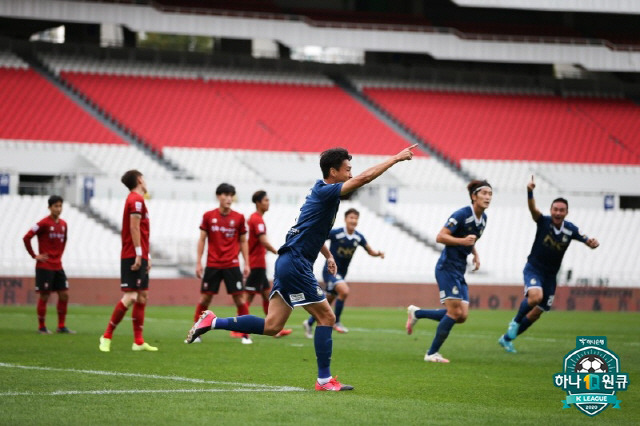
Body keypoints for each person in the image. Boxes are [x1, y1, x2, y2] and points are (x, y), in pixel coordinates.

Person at [186, 144, 417, 391]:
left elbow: (309, 232)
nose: (351, 174)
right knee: (327, 316)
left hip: (289, 262)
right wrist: (395, 158)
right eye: (347, 169)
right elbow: (365, 178)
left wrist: (327, 254)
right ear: (333, 172)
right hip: (296, 264)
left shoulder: (321, 194)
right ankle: (324, 380)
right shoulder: (328, 191)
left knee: (272, 325)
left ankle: (213, 321)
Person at [498, 176, 599, 353]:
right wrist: (530, 191)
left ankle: (506, 339)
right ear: (551, 210)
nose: (558, 213)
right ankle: (515, 321)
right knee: (535, 297)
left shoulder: (570, 229)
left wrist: (591, 243)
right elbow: (532, 209)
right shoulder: (543, 222)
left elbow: (586, 239)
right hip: (534, 268)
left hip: (551, 275)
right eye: (555, 209)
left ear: (566, 212)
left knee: (538, 311)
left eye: (562, 210)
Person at [405, 180, 492, 363]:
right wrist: (463, 242)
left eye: (490, 194)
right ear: (473, 196)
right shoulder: (462, 214)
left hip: (459, 270)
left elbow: (471, 240)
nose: (487, 197)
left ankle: (417, 313)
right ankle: (431, 354)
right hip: (447, 268)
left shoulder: (483, 219)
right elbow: (440, 236)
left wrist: (475, 254)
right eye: (483, 193)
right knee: (453, 313)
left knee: (462, 316)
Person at [99, 170, 157, 352]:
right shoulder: (136, 200)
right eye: (144, 177)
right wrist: (139, 254)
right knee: (131, 296)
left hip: (140, 253)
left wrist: (147, 255)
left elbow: (142, 231)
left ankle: (138, 342)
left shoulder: (137, 200)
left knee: (142, 296)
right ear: (140, 179)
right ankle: (106, 336)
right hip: (132, 254)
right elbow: (134, 228)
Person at [303, 208, 384, 338]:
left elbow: (369, 250)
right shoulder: (337, 233)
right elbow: (320, 237)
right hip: (330, 272)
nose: (353, 220)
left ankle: (309, 322)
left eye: (356, 218)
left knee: (327, 301)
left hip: (342, 274)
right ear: (345, 219)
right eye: (351, 217)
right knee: (344, 291)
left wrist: (378, 254)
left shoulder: (358, 237)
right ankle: (337, 322)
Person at [193, 183, 251, 344]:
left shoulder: (239, 218)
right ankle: (196, 332)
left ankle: (245, 335)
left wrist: (246, 263)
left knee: (240, 299)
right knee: (205, 299)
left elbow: (243, 241)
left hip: (232, 264)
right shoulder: (208, 216)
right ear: (218, 196)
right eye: (225, 195)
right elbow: (202, 239)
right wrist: (198, 262)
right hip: (212, 264)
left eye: (231, 195)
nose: (229, 198)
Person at [23, 195, 74, 334]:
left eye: (60, 206)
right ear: (49, 207)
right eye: (56, 206)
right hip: (44, 266)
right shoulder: (43, 223)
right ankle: (42, 327)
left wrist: (58, 256)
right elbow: (26, 237)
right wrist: (35, 256)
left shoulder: (63, 224)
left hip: (58, 265)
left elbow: (64, 241)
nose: (58, 209)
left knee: (64, 295)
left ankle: (61, 326)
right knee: (44, 296)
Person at [246, 190, 292, 338]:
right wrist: (279, 252)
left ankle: (272, 327)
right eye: (266, 200)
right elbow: (263, 241)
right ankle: (238, 329)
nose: (268, 203)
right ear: (258, 203)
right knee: (248, 298)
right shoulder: (256, 219)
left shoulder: (257, 218)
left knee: (267, 295)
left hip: (259, 263)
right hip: (255, 264)